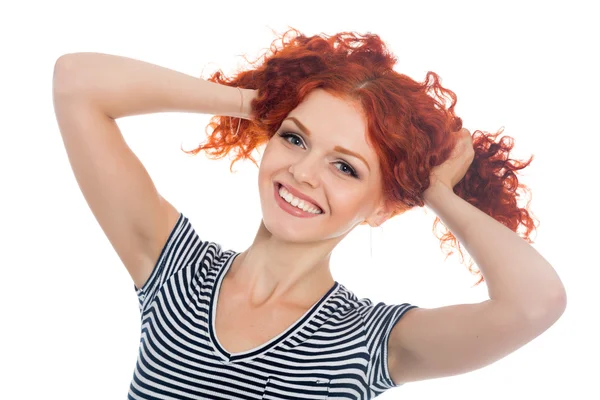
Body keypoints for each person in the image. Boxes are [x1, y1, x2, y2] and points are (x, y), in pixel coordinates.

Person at [52, 28, 566, 399]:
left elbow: (536, 304)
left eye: (345, 167)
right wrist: (264, 103)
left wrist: (434, 190)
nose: (302, 172)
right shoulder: (176, 275)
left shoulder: (369, 342)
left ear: (382, 208)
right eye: (295, 138)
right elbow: (76, 81)